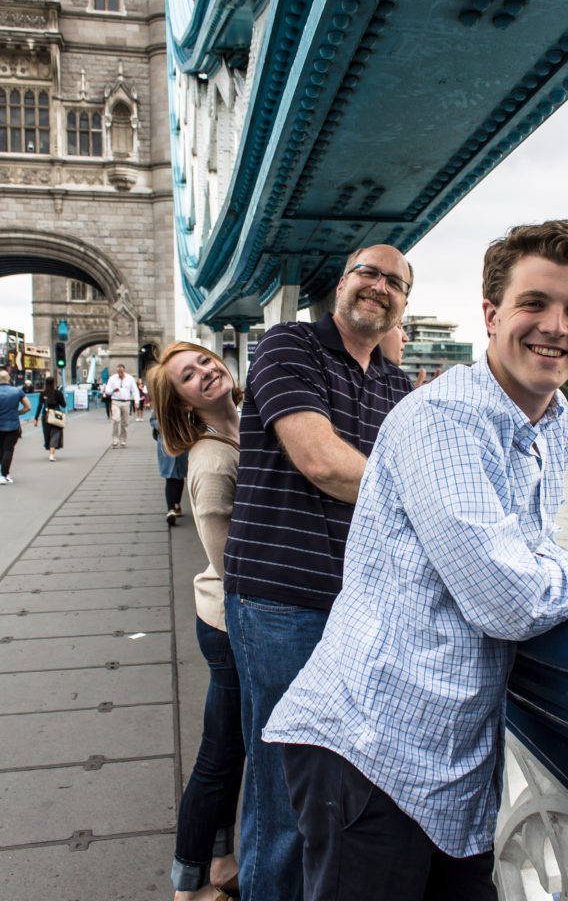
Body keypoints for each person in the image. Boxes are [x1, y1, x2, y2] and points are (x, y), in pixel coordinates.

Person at [264, 220, 568, 901]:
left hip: (451, 759)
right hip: (372, 746)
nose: (555, 327)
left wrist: (553, 570)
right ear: (490, 314)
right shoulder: (442, 420)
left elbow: (524, 555)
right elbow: (511, 600)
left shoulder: (553, 415)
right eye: (533, 304)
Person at [223, 244, 415, 901]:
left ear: (401, 306)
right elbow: (323, 463)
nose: (379, 285)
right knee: (285, 795)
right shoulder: (287, 346)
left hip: (362, 607)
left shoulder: (394, 383)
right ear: (341, 283)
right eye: (368, 271)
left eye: (394, 282)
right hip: (282, 604)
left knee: (342, 789)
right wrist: (420, 488)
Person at [147, 342, 245, 901]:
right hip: (230, 623)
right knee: (219, 754)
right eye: (190, 375)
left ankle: (221, 862)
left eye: (207, 362)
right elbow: (228, 563)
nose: (206, 372)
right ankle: (188, 886)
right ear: (181, 402)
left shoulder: (250, 422)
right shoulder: (212, 461)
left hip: (233, 620)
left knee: (228, 748)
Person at [150, 411, 188, 524]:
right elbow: (153, 421)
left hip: (182, 441)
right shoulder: (160, 402)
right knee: (170, 475)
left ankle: (176, 504)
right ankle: (171, 508)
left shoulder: (186, 400)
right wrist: (166, 426)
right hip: (166, 442)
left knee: (179, 475)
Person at [0, 370, 31, 484]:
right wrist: (17, 412)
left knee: (1, 450)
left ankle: (4, 473)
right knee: (8, 450)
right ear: (9, 379)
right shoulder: (18, 391)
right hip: (12, 425)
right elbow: (28, 407)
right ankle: (4, 474)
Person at [103, 363, 140, 447]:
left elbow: (135, 390)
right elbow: (107, 390)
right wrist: (113, 390)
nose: (120, 373)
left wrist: (136, 401)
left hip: (126, 402)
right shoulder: (112, 379)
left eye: (121, 372)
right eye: (118, 372)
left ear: (124, 370)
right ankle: (115, 439)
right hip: (115, 401)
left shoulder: (130, 379)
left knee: (125, 422)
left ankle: (123, 439)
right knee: (116, 419)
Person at [34, 375, 67, 461]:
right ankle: (51, 454)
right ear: (54, 383)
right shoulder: (58, 393)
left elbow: (39, 406)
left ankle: (50, 450)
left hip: (46, 416)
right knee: (55, 434)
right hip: (56, 416)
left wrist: (36, 418)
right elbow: (64, 405)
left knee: (47, 434)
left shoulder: (43, 394)